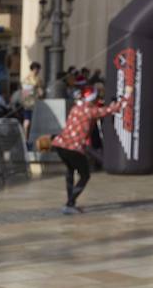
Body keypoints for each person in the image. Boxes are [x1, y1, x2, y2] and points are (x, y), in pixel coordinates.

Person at [52, 85, 130, 214]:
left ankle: (70, 202)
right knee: (85, 175)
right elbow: (114, 109)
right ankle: (70, 204)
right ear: (93, 98)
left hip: (60, 144)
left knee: (70, 170)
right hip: (73, 148)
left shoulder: (76, 108)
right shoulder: (90, 111)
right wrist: (127, 95)